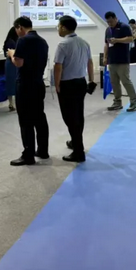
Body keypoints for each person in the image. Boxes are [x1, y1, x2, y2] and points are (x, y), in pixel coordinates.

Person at [6, 16, 49, 166]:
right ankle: (43, 150)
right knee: (39, 117)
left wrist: (11, 54)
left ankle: (28, 155)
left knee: (25, 120)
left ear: (20, 27)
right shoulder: (42, 41)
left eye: (16, 29)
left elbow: (18, 62)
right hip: (38, 83)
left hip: (25, 85)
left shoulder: (23, 40)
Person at [54, 16, 95, 163]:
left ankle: (78, 151)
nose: (58, 29)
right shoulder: (84, 43)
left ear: (64, 27)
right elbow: (90, 63)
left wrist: (57, 84)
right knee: (78, 114)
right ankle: (75, 142)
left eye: (59, 26)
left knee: (70, 117)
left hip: (67, 84)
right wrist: (91, 80)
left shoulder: (62, 45)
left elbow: (58, 66)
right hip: (81, 82)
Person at [104, 11, 136, 112]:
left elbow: (130, 39)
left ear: (115, 18)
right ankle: (117, 102)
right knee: (114, 82)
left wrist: (117, 40)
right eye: (108, 22)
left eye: (111, 21)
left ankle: (134, 102)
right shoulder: (108, 30)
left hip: (122, 60)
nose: (110, 23)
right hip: (112, 60)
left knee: (126, 81)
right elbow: (106, 44)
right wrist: (105, 57)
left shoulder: (124, 27)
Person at [3, 26, 19, 112]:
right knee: (16, 84)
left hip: (9, 63)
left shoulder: (8, 41)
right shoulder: (13, 42)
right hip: (14, 63)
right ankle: (15, 104)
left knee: (10, 84)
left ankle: (11, 104)